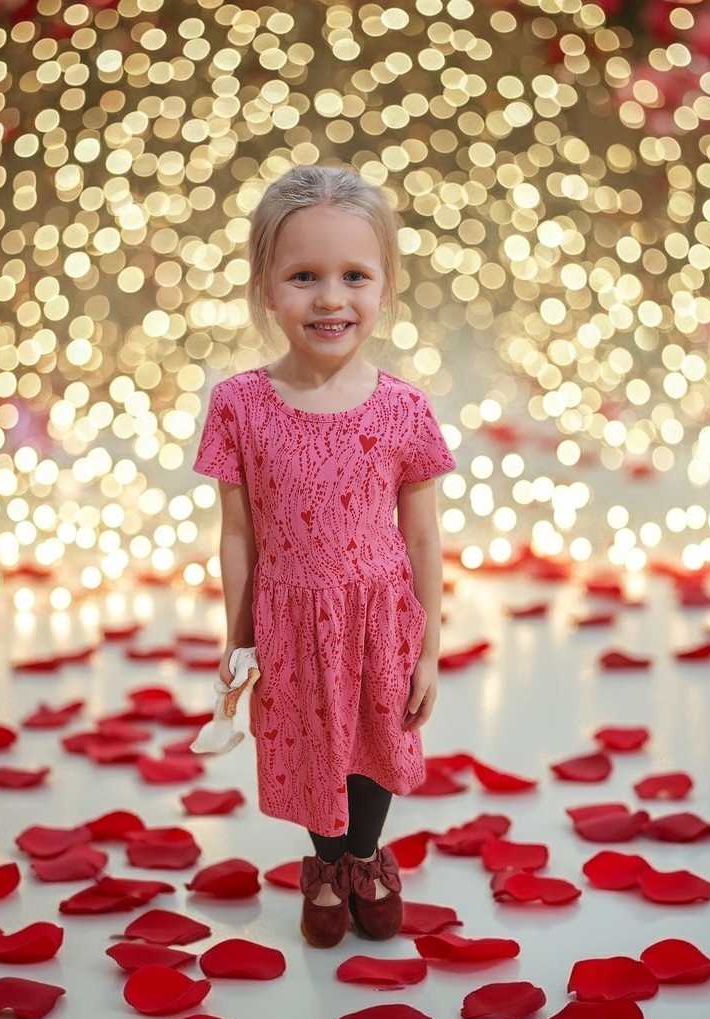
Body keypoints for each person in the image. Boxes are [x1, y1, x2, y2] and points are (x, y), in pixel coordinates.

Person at [194, 164, 456, 947]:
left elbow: (422, 533)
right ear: (267, 286)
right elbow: (237, 530)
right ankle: (324, 861)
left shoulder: (404, 408)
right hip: (292, 617)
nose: (331, 298)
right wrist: (238, 636)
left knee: (375, 739)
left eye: (354, 276)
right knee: (310, 746)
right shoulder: (239, 403)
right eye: (304, 276)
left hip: (377, 617)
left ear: (385, 288)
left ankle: (366, 857)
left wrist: (431, 642)